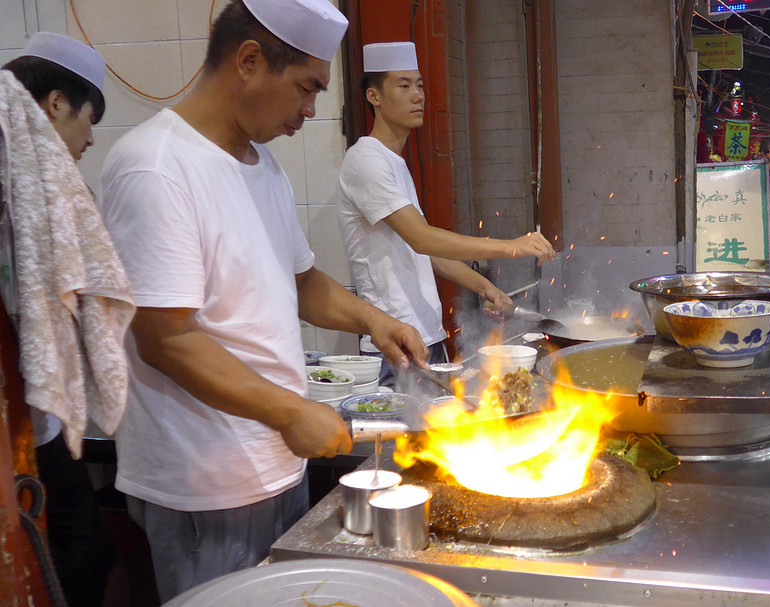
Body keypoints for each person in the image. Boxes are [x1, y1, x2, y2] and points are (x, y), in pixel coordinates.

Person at [97, 1, 428, 601]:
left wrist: (374, 318)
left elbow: (300, 281)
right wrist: (289, 412)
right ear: (249, 60)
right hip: (207, 483)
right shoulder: (156, 168)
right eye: (306, 88)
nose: (309, 110)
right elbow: (166, 339)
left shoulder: (262, 165)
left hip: (277, 463)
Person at [336, 41, 556, 384]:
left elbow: (426, 251)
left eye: (420, 85)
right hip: (393, 348)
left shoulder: (394, 164)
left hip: (426, 339)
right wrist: (512, 246)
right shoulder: (366, 160)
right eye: (403, 85)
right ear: (373, 97)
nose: (418, 96)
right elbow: (422, 239)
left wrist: (485, 286)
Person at [1, 32, 119, 607]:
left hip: (43, 423)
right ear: (53, 105)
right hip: (28, 427)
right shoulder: (21, 187)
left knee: (83, 553)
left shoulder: (34, 187)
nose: (89, 138)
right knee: (74, 558)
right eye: (87, 119)